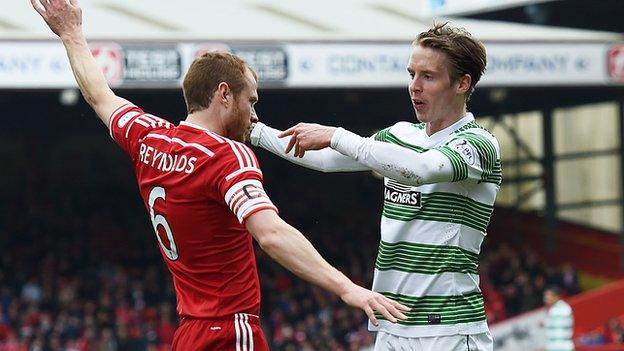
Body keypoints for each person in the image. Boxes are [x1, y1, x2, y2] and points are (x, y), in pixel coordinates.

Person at [30, 0, 409, 349]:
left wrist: (72, 35)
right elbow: (271, 234)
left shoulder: (149, 138)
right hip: (229, 329)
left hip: (190, 330)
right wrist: (348, 289)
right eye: (251, 101)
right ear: (224, 94)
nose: (255, 115)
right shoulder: (227, 157)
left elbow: (100, 96)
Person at [251, 23, 500, 350]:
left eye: (428, 76)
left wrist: (337, 134)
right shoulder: (400, 135)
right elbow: (327, 160)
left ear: (462, 83)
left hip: (448, 330)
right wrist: (254, 131)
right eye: (411, 74)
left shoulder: (479, 144)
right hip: (391, 324)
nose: (415, 86)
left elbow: (419, 169)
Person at [543, 286, 574, 351]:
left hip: (561, 347)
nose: (545, 297)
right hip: (557, 346)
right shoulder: (555, 309)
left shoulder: (561, 308)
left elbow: (559, 332)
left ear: (556, 296)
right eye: (545, 295)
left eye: (548, 295)